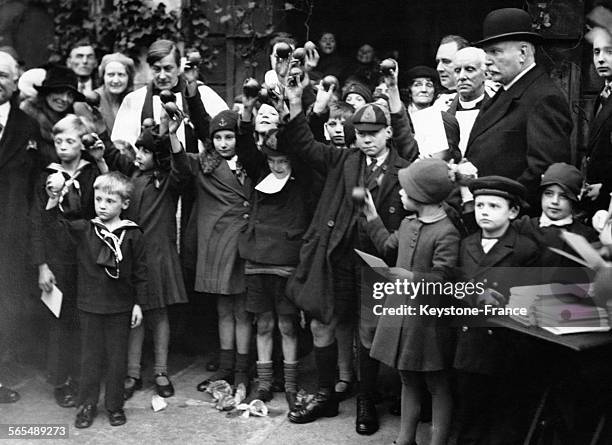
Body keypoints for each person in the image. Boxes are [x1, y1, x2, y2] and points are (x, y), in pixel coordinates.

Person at [278, 77, 412, 434]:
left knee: (367, 333)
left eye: (373, 132)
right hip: (336, 256)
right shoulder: (345, 159)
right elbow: (303, 145)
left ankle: (366, 400)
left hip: (376, 264)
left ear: (387, 133)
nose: (366, 138)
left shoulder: (404, 168)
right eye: (360, 132)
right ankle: (326, 394)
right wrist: (296, 106)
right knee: (323, 320)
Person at [363, 158, 460, 445]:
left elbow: (444, 281)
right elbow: (386, 246)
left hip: (429, 323)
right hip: (401, 317)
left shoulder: (447, 233)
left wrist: (411, 277)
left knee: (437, 384)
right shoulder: (408, 224)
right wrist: (371, 217)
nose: (400, 194)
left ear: (424, 195)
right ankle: (405, 439)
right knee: (407, 378)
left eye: (405, 189)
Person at [48, 172, 147, 428]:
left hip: (120, 306)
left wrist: (138, 303)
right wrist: (53, 198)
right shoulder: (85, 229)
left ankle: (114, 406)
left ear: (124, 204)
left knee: (117, 359)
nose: (102, 205)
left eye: (110, 201)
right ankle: (86, 405)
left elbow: (141, 272)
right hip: (90, 304)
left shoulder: (133, 234)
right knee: (89, 357)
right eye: (99, 199)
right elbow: (54, 227)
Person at [102, 112, 190, 400]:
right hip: (133, 256)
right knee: (134, 314)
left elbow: (182, 169)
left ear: (159, 155)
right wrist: (102, 131)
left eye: (146, 151)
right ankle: (132, 373)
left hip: (159, 255)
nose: (139, 155)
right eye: (139, 149)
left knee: (159, 314)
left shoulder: (167, 179)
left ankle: (161, 371)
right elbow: (115, 157)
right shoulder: (135, 175)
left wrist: (173, 135)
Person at [236, 96, 316, 410]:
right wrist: (246, 114)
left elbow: (305, 145)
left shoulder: (302, 182)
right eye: (272, 160)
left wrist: (292, 106)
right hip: (257, 264)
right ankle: (266, 383)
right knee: (264, 324)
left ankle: (293, 385)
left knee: (287, 325)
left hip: (286, 265)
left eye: (282, 161)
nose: (276, 166)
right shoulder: (260, 176)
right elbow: (245, 147)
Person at [453, 176, 539, 445]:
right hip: (469, 345)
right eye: (480, 205)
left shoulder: (525, 250)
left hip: (505, 348)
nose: (485, 212)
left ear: (513, 212)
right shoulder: (466, 245)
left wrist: (503, 302)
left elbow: (531, 297)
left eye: (494, 206)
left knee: (502, 422)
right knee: (468, 416)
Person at [31, 114, 106, 409]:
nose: (63, 147)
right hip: (57, 259)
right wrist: (42, 265)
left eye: (70, 141)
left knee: (85, 319)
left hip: (86, 257)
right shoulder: (45, 176)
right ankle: (60, 380)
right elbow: (36, 221)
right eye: (58, 141)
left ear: (82, 143)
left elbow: (103, 206)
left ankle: (83, 376)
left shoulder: (90, 175)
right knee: (59, 321)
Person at [466, 8, 573, 210]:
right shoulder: (508, 89)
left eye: (496, 51)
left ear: (523, 52)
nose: (487, 60)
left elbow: (545, 171)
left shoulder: (543, 98)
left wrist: (503, 204)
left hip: (514, 222)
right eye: (486, 52)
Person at [189, 110, 253, 392]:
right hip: (221, 245)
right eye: (218, 137)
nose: (224, 143)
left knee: (243, 311)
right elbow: (178, 159)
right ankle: (226, 367)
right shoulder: (206, 165)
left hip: (247, 245)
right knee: (224, 308)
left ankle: (242, 370)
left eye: (229, 137)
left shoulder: (253, 162)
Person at [0, 50, 40, 404]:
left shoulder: (26, 127)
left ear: (15, 83)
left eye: (2, 76)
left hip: (9, 234)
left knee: (5, 304)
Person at [111, 39, 227, 150]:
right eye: (156, 69)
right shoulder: (134, 100)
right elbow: (123, 144)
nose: (162, 76)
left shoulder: (203, 94)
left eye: (167, 69)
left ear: (178, 68)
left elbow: (221, 135)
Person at [20, 65, 92, 165]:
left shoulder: (72, 120)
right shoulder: (26, 115)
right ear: (47, 92)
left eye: (70, 95)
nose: (65, 99)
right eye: (59, 91)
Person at [583, 25, 612, 214]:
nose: (600, 58)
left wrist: (605, 188)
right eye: (596, 52)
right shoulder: (602, 94)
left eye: (609, 51)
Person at [447, 47, 491, 156]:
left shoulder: (497, 109)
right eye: (457, 70)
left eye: (469, 69)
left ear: (485, 74)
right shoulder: (441, 110)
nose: (462, 77)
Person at [89, 53, 135, 133]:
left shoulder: (134, 102)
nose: (116, 80)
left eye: (121, 75)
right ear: (103, 77)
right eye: (111, 75)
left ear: (129, 77)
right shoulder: (90, 102)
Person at [432, 34, 469, 111]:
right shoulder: (438, 99)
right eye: (438, 62)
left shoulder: (478, 98)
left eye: (446, 61)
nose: (439, 68)